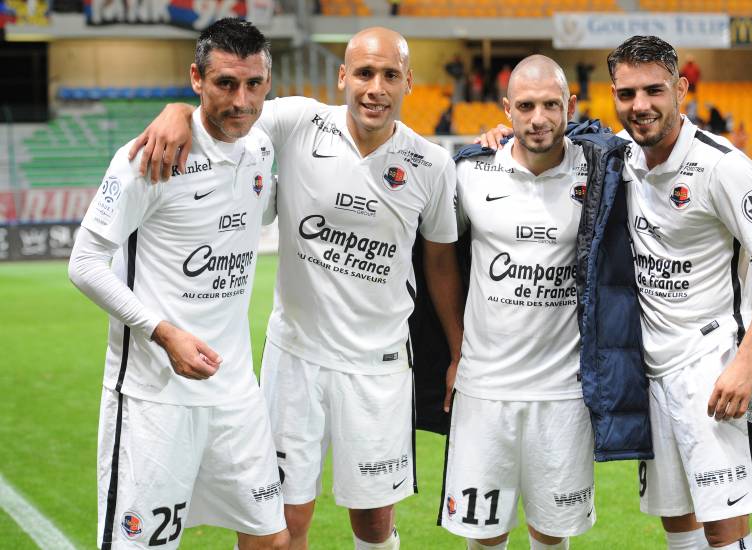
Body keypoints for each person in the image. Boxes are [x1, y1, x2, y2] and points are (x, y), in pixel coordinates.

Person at [129, 27, 464, 550]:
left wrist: (458, 351)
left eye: (389, 76)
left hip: (378, 368)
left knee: (374, 523)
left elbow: (441, 264)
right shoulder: (299, 120)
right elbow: (230, 107)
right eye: (364, 73)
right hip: (296, 360)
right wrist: (177, 109)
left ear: (408, 84)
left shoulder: (432, 165)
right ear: (342, 77)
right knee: (283, 522)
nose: (375, 87)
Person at [67, 18, 289, 550]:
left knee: (270, 540)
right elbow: (85, 261)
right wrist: (162, 332)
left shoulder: (260, 149)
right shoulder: (151, 157)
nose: (242, 100)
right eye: (225, 84)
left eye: (254, 84)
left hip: (236, 390)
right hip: (153, 397)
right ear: (196, 78)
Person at [607, 35, 752, 550]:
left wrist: (747, 361)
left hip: (715, 362)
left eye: (654, 90)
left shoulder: (722, 166)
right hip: (653, 369)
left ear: (681, 89)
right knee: (677, 520)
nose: (640, 105)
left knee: (724, 523)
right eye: (627, 94)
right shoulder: (621, 156)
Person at [441, 55, 596, 550]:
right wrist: (456, 350)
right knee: (484, 533)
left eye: (551, 105)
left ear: (570, 106)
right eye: (525, 106)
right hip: (485, 388)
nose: (538, 118)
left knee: (552, 533)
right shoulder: (471, 173)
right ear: (506, 110)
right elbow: (439, 258)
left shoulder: (601, 170)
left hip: (564, 392)